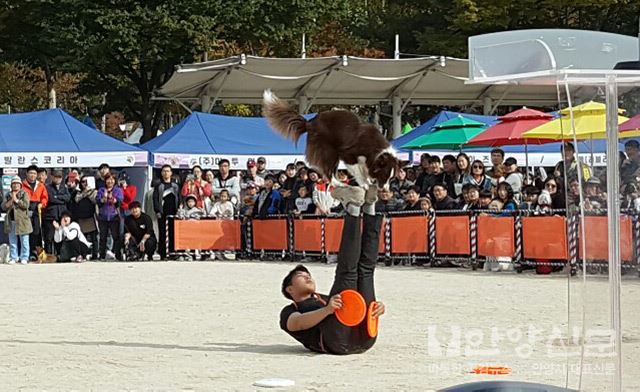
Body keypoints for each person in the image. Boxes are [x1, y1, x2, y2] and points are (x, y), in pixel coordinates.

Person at [279, 185, 385, 354]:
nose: (308, 277)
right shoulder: (290, 310)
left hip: (364, 336)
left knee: (364, 271)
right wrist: (327, 310)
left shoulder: (325, 298)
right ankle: (353, 207)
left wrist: (376, 309)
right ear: (289, 289)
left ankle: (369, 205)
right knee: (351, 272)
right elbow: (297, 323)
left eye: (308, 275)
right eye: (301, 275)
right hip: (336, 341)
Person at [2, 176, 32, 264]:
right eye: (13, 184)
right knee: (12, 240)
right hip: (11, 221)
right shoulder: (8, 195)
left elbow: (26, 205)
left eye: (17, 184)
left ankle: (25, 257)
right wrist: (11, 200)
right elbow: (3, 206)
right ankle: (13, 257)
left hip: (23, 221)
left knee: (24, 240)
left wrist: (17, 200)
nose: (15, 186)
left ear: (20, 185)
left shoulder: (24, 194)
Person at [153, 164, 180, 260]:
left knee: (174, 233)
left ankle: (173, 252)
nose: (166, 173)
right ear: (161, 173)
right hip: (162, 213)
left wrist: (178, 210)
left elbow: (178, 198)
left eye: (168, 171)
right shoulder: (159, 186)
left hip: (173, 212)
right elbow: (155, 199)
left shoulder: (175, 186)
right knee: (162, 233)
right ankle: (163, 253)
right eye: (164, 171)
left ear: (171, 173)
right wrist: (157, 211)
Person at [22, 165, 48, 260]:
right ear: (27, 174)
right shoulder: (22, 185)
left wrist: (42, 204)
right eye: (31, 173)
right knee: (26, 232)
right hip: (26, 209)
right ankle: (27, 253)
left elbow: (44, 198)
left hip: (37, 209)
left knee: (36, 232)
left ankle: (36, 253)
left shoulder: (40, 185)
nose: (33, 175)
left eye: (34, 173)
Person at [70, 175, 99, 260]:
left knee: (94, 238)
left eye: (86, 181)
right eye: (83, 181)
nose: (85, 183)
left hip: (91, 217)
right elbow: (76, 199)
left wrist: (88, 192)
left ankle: (95, 255)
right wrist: (84, 192)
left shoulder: (94, 191)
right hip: (81, 218)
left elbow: (95, 200)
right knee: (83, 238)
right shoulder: (78, 192)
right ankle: (83, 254)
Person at [43, 169, 71, 254]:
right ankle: (48, 255)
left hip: (62, 215)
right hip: (51, 215)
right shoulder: (47, 187)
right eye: (56, 177)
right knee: (49, 237)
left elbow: (68, 198)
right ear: (52, 177)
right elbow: (51, 199)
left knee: (60, 236)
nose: (58, 179)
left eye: (59, 177)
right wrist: (61, 199)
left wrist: (57, 197)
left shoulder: (64, 188)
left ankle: (59, 254)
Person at [97, 174, 124, 260]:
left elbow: (120, 201)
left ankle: (118, 254)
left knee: (116, 236)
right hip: (103, 217)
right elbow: (98, 201)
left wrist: (114, 199)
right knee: (103, 237)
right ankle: (102, 255)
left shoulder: (118, 190)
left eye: (112, 179)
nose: (110, 181)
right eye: (108, 179)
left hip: (114, 216)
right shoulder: (101, 190)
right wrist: (103, 199)